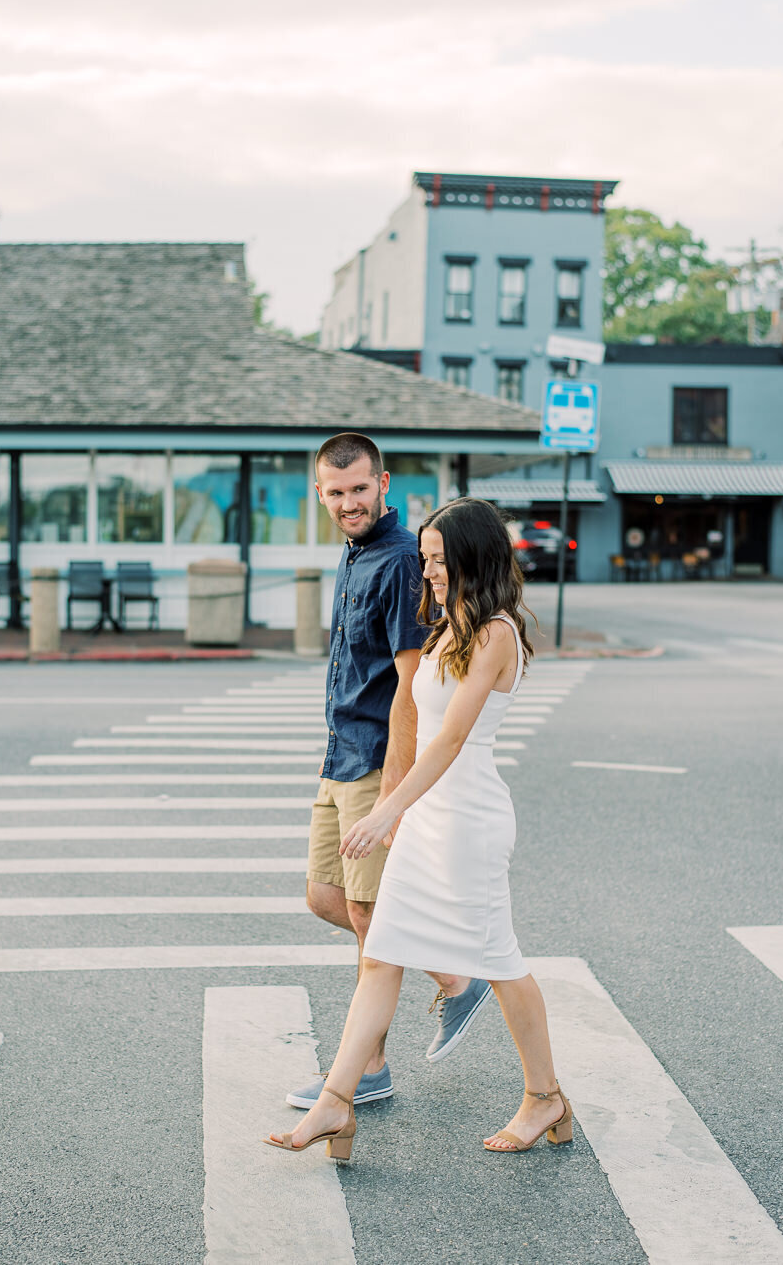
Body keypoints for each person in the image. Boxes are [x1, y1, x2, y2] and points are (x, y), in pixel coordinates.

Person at [265, 497, 572, 1158]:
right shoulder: (447, 629)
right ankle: (336, 1103)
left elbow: (451, 739)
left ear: (472, 560)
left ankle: (544, 1096)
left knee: (501, 964)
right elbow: (416, 715)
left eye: (438, 561)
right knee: (380, 955)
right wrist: (402, 808)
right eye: (426, 559)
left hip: (468, 822)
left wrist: (386, 807)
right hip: (429, 812)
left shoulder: (494, 635)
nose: (428, 572)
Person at [285, 436, 493, 1113]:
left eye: (359, 489)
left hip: (375, 760)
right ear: (320, 494)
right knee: (327, 898)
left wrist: (395, 798)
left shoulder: (403, 558)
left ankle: (366, 1066)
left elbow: (410, 685)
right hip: (339, 754)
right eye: (335, 492)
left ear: (384, 484)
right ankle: (456, 979)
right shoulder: (355, 556)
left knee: (369, 910)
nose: (349, 502)